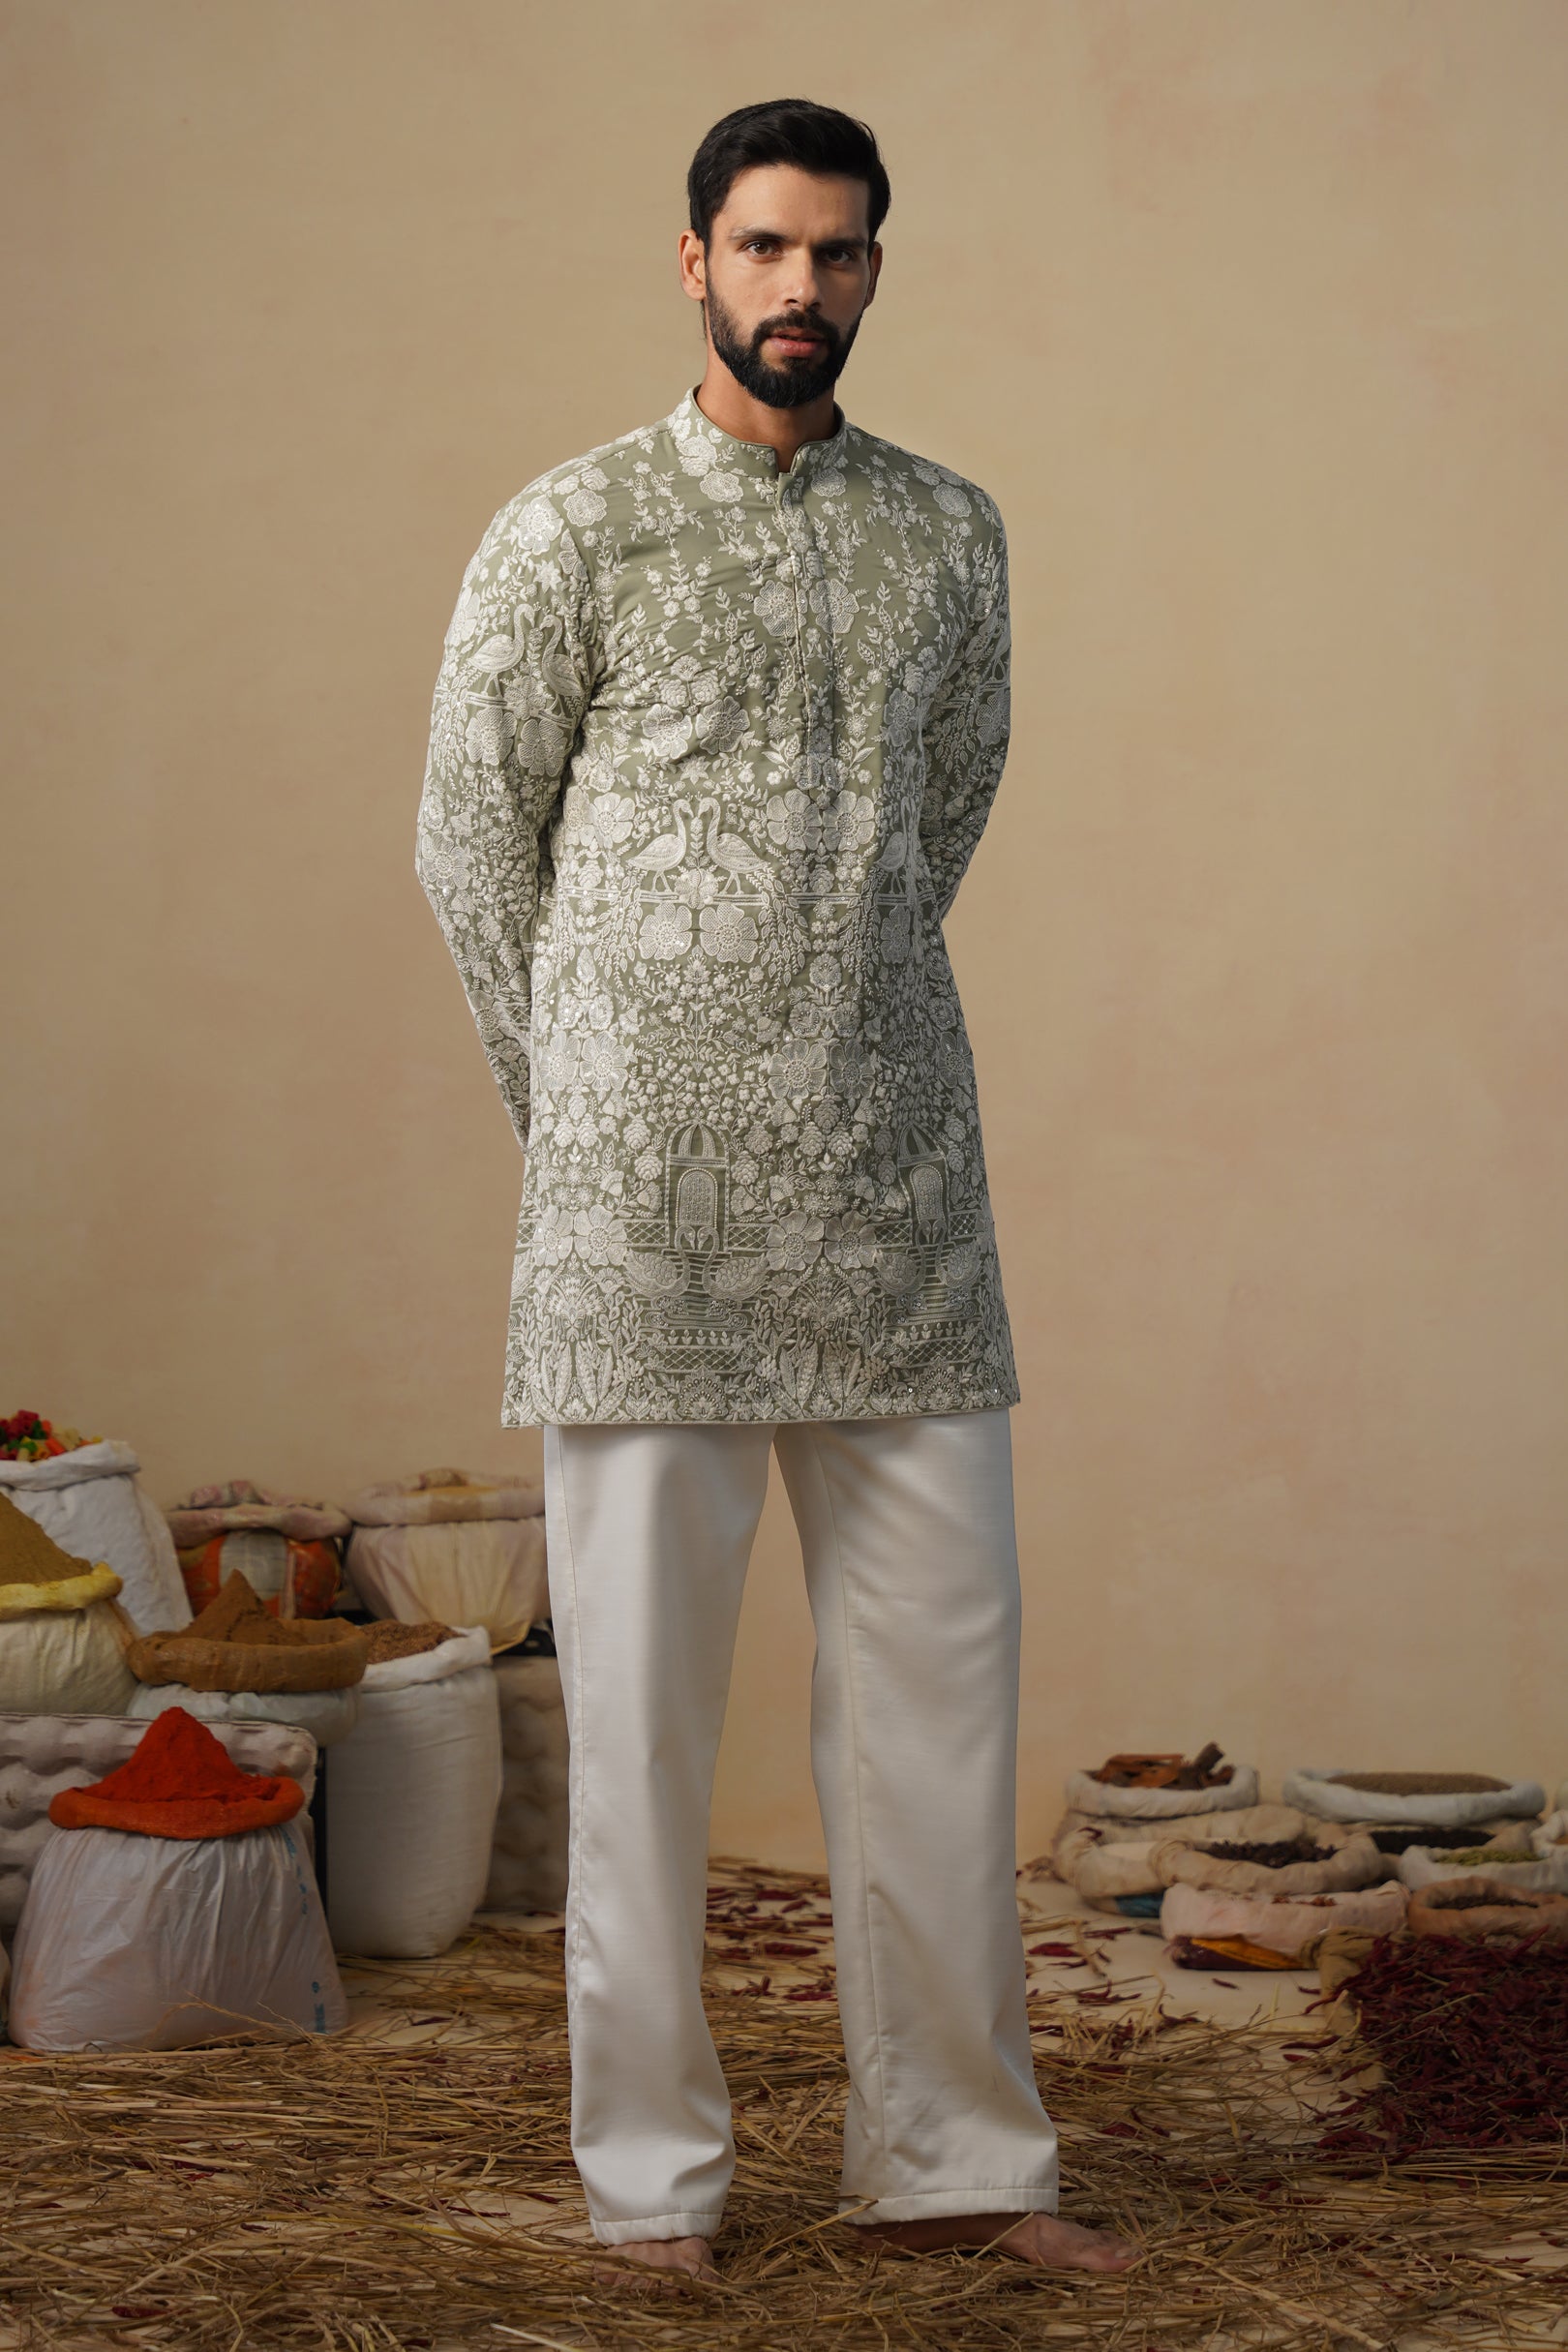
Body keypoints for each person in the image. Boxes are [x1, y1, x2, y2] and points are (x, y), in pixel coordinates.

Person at [415, 96, 1137, 2287]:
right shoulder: (574, 530)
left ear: (876, 270)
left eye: (834, 251)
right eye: (760, 247)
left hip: (898, 1199)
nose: (797, 286)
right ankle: (653, 2194)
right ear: (694, 263)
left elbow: (947, 807)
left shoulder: (951, 535)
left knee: (941, 1715)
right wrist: (592, 1114)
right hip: (643, 1232)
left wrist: (828, 1015)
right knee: (640, 1736)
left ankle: (961, 2169)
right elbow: (471, 847)